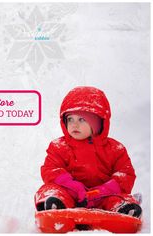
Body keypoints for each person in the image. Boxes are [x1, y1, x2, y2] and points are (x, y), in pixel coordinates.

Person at [34, 86, 142, 218]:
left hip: (104, 196)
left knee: (119, 197)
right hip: (71, 195)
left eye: (82, 119)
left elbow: (125, 174)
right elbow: (51, 170)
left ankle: (122, 209)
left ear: (97, 123)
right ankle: (54, 206)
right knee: (50, 190)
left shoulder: (115, 149)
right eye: (70, 119)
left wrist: (104, 190)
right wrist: (73, 187)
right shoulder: (58, 146)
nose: (74, 125)